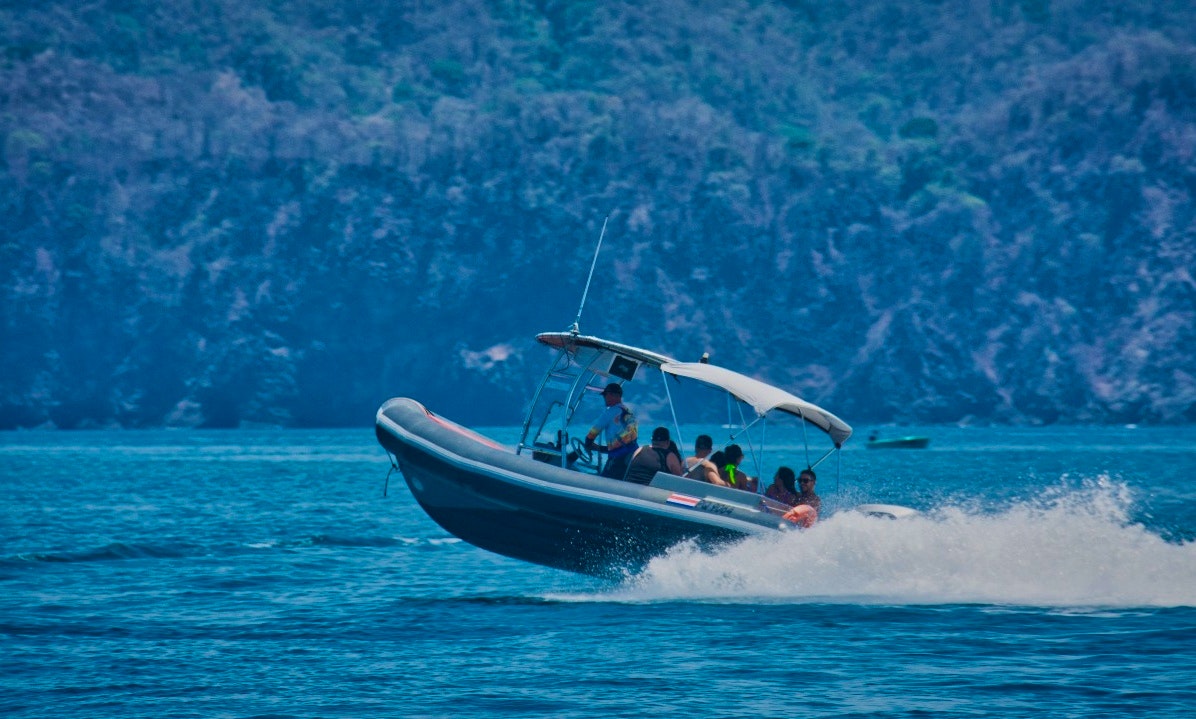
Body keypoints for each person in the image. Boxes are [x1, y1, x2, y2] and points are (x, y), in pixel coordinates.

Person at [584, 382, 638, 479]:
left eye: (606, 395)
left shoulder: (610, 412)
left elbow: (593, 432)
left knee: (603, 483)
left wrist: (588, 443)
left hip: (618, 459)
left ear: (614, 395)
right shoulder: (628, 412)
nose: (604, 398)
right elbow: (624, 441)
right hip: (632, 456)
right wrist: (598, 448)